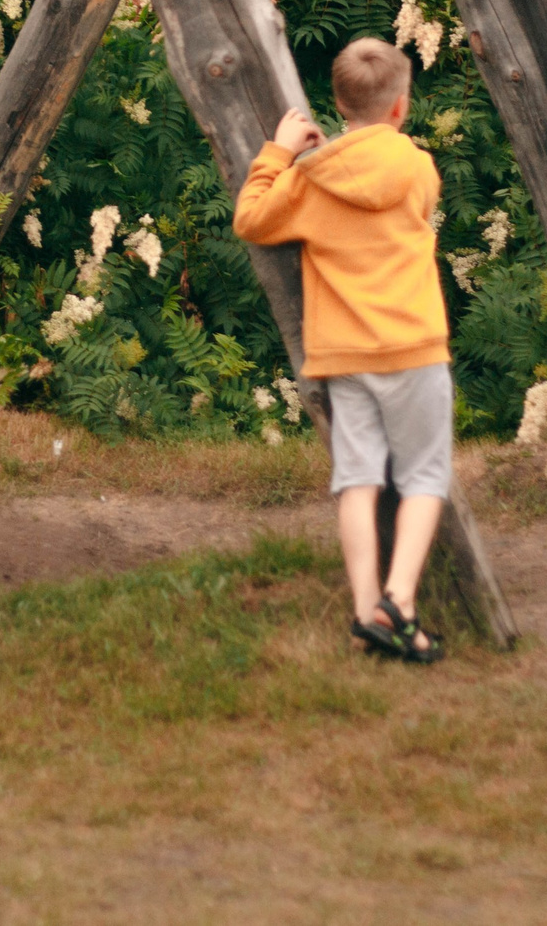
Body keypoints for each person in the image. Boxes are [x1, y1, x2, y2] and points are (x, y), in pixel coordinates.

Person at [232, 39, 453, 665]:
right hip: (412, 347)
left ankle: (364, 613)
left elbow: (251, 220)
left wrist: (279, 153)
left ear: (337, 104)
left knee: (357, 481)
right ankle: (398, 602)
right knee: (424, 477)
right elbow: (422, 207)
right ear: (400, 106)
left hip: (345, 355)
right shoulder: (417, 167)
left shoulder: (309, 179)